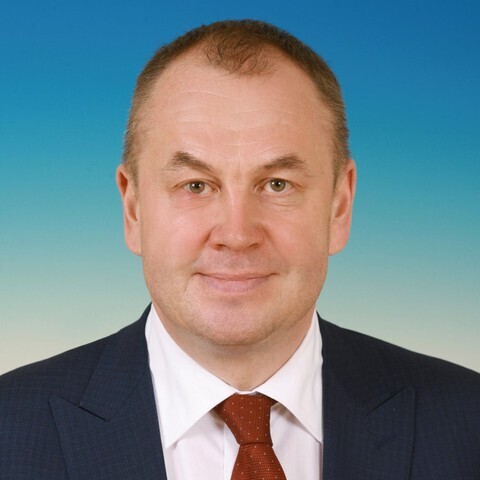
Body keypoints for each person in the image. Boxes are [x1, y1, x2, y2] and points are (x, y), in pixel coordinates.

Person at [1, 19, 479, 480]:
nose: (236, 233)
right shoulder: (11, 429)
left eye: (277, 184)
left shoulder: (466, 422)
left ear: (340, 205)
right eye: (195, 185)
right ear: (133, 209)